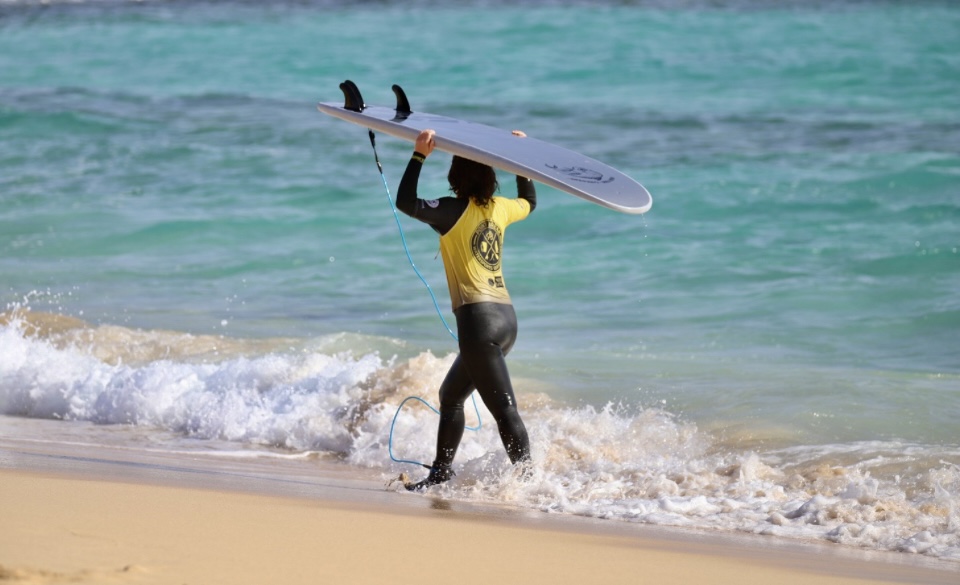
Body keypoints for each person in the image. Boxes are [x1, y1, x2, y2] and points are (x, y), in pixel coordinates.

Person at [396, 128, 536, 491]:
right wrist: (519, 162)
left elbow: (406, 202)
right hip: (506, 321)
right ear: (491, 177)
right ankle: (441, 473)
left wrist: (419, 156)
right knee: (451, 396)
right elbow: (530, 202)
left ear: (454, 177)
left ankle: (530, 484)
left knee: (504, 410)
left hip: (478, 324)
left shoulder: (451, 210)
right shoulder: (501, 209)